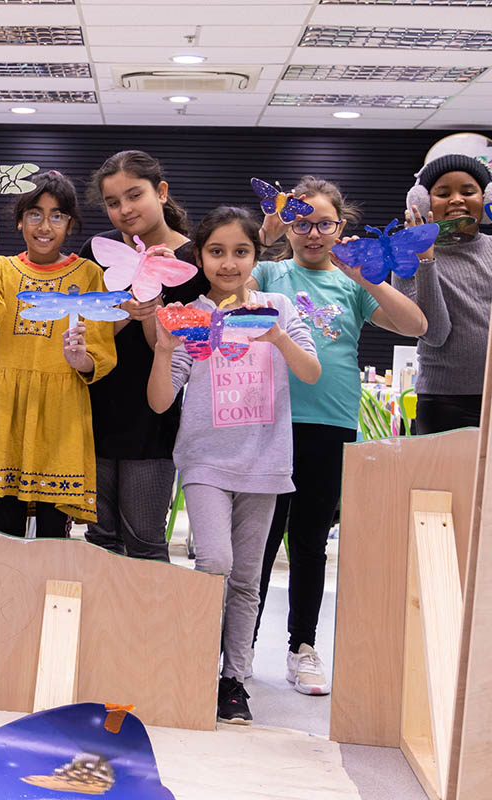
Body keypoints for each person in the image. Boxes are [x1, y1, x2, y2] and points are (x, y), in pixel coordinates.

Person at [250, 176, 426, 696]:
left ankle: (302, 647)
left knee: (308, 543)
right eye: (301, 222)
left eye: (323, 223)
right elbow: (223, 279)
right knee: (258, 542)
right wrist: (263, 235)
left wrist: (367, 276)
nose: (312, 233)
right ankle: (237, 648)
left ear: (340, 226)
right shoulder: (269, 271)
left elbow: (414, 325)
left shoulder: (352, 284)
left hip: (330, 425)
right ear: (287, 225)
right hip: (268, 421)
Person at [148, 206, 320, 725]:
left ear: (256, 255)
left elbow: (311, 373)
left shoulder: (278, 306)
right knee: (215, 562)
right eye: (216, 252)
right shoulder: (191, 316)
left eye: (240, 251)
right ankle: (198, 663)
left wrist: (278, 338)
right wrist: (162, 350)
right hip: (204, 461)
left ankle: (233, 679)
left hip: (266, 463)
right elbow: (160, 402)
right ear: (199, 256)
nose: (228, 263)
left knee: (246, 579)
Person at [0, 170, 117, 536]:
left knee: (52, 537)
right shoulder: (0, 268)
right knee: (5, 534)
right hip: (6, 414)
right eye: (35, 214)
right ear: (19, 220)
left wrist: (82, 359)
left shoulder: (90, 275)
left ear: (70, 223)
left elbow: (102, 351)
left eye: (56, 215)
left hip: (60, 417)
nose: (45, 225)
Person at [81, 150, 209, 561]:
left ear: (162, 192)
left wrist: (153, 307)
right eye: (113, 202)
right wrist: (121, 312)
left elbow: (183, 348)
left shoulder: (193, 261)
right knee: (99, 543)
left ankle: (151, 628)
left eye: (134, 195)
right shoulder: (97, 253)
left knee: (145, 544)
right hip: (94, 412)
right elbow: (83, 327)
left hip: (153, 422)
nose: (124, 209)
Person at [393, 154, 492, 433]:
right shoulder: (405, 255)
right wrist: (426, 260)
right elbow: (434, 333)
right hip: (442, 403)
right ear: (423, 202)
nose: (457, 199)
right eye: (443, 193)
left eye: (468, 191)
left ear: (485, 199)